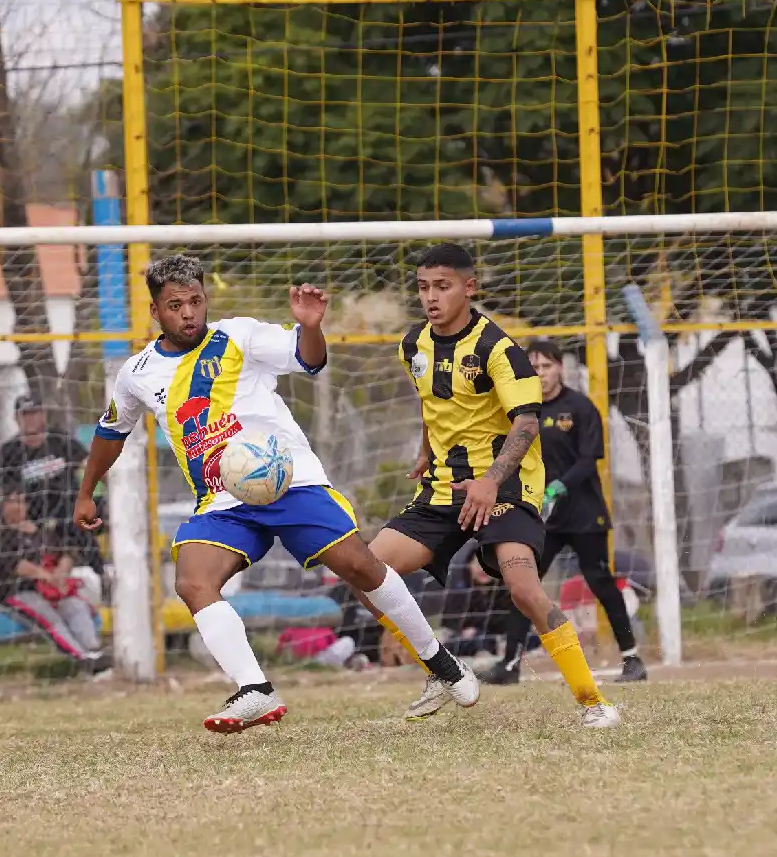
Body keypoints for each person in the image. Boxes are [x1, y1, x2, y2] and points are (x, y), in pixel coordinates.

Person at [74, 252, 479, 733]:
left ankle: (441, 663)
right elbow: (111, 431)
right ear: (156, 312)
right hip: (225, 499)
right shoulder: (137, 373)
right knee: (192, 581)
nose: (188, 313)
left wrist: (309, 326)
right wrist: (86, 492)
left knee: (360, 567)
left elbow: (309, 359)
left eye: (196, 301)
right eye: (176, 304)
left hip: (289, 479)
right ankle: (255, 690)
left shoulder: (239, 336)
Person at [368, 243, 620, 728]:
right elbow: (432, 404)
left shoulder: (499, 349)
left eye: (442, 286)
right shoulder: (412, 345)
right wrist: (425, 450)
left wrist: (490, 480)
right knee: (367, 572)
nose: (430, 297)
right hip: (445, 488)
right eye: (423, 287)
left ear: (470, 287)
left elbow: (527, 423)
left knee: (524, 588)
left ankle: (593, 703)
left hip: (504, 489)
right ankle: (443, 670)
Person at [480, 340, 648, 685]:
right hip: (541, 516)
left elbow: (589, 461)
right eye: (533, 368)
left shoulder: (580, 407)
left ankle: (632, 658)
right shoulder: (520, 411)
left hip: (583, 512)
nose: (540, 375)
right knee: (523, 583)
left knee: (600, 580)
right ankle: (509, 664)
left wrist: (558, 488)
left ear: (560, 368)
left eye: (546, 367)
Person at [0, 489, 110, 677]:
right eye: (13, 502)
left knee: (76, 606)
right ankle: (84, 659)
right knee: (49, 616)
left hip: (48, 590)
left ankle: (95, 652)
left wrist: (61, 571)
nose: (19, 507)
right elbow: (15, 565)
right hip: (13, 595)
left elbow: (67, 552)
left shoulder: (40, 531)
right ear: (2, 506)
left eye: (22, 502)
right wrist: (47, 576)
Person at [0, 394, 103, 577]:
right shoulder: (8, 452)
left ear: (43, 415)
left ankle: (103, 574)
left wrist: (114, 482)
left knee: (88, 514)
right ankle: (95, 574)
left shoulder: (60, 440)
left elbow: (90, 465)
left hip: (70, 506)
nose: (30, 419)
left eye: (34, 413)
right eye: (25, 415)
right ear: (16, 418)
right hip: (35, 513)